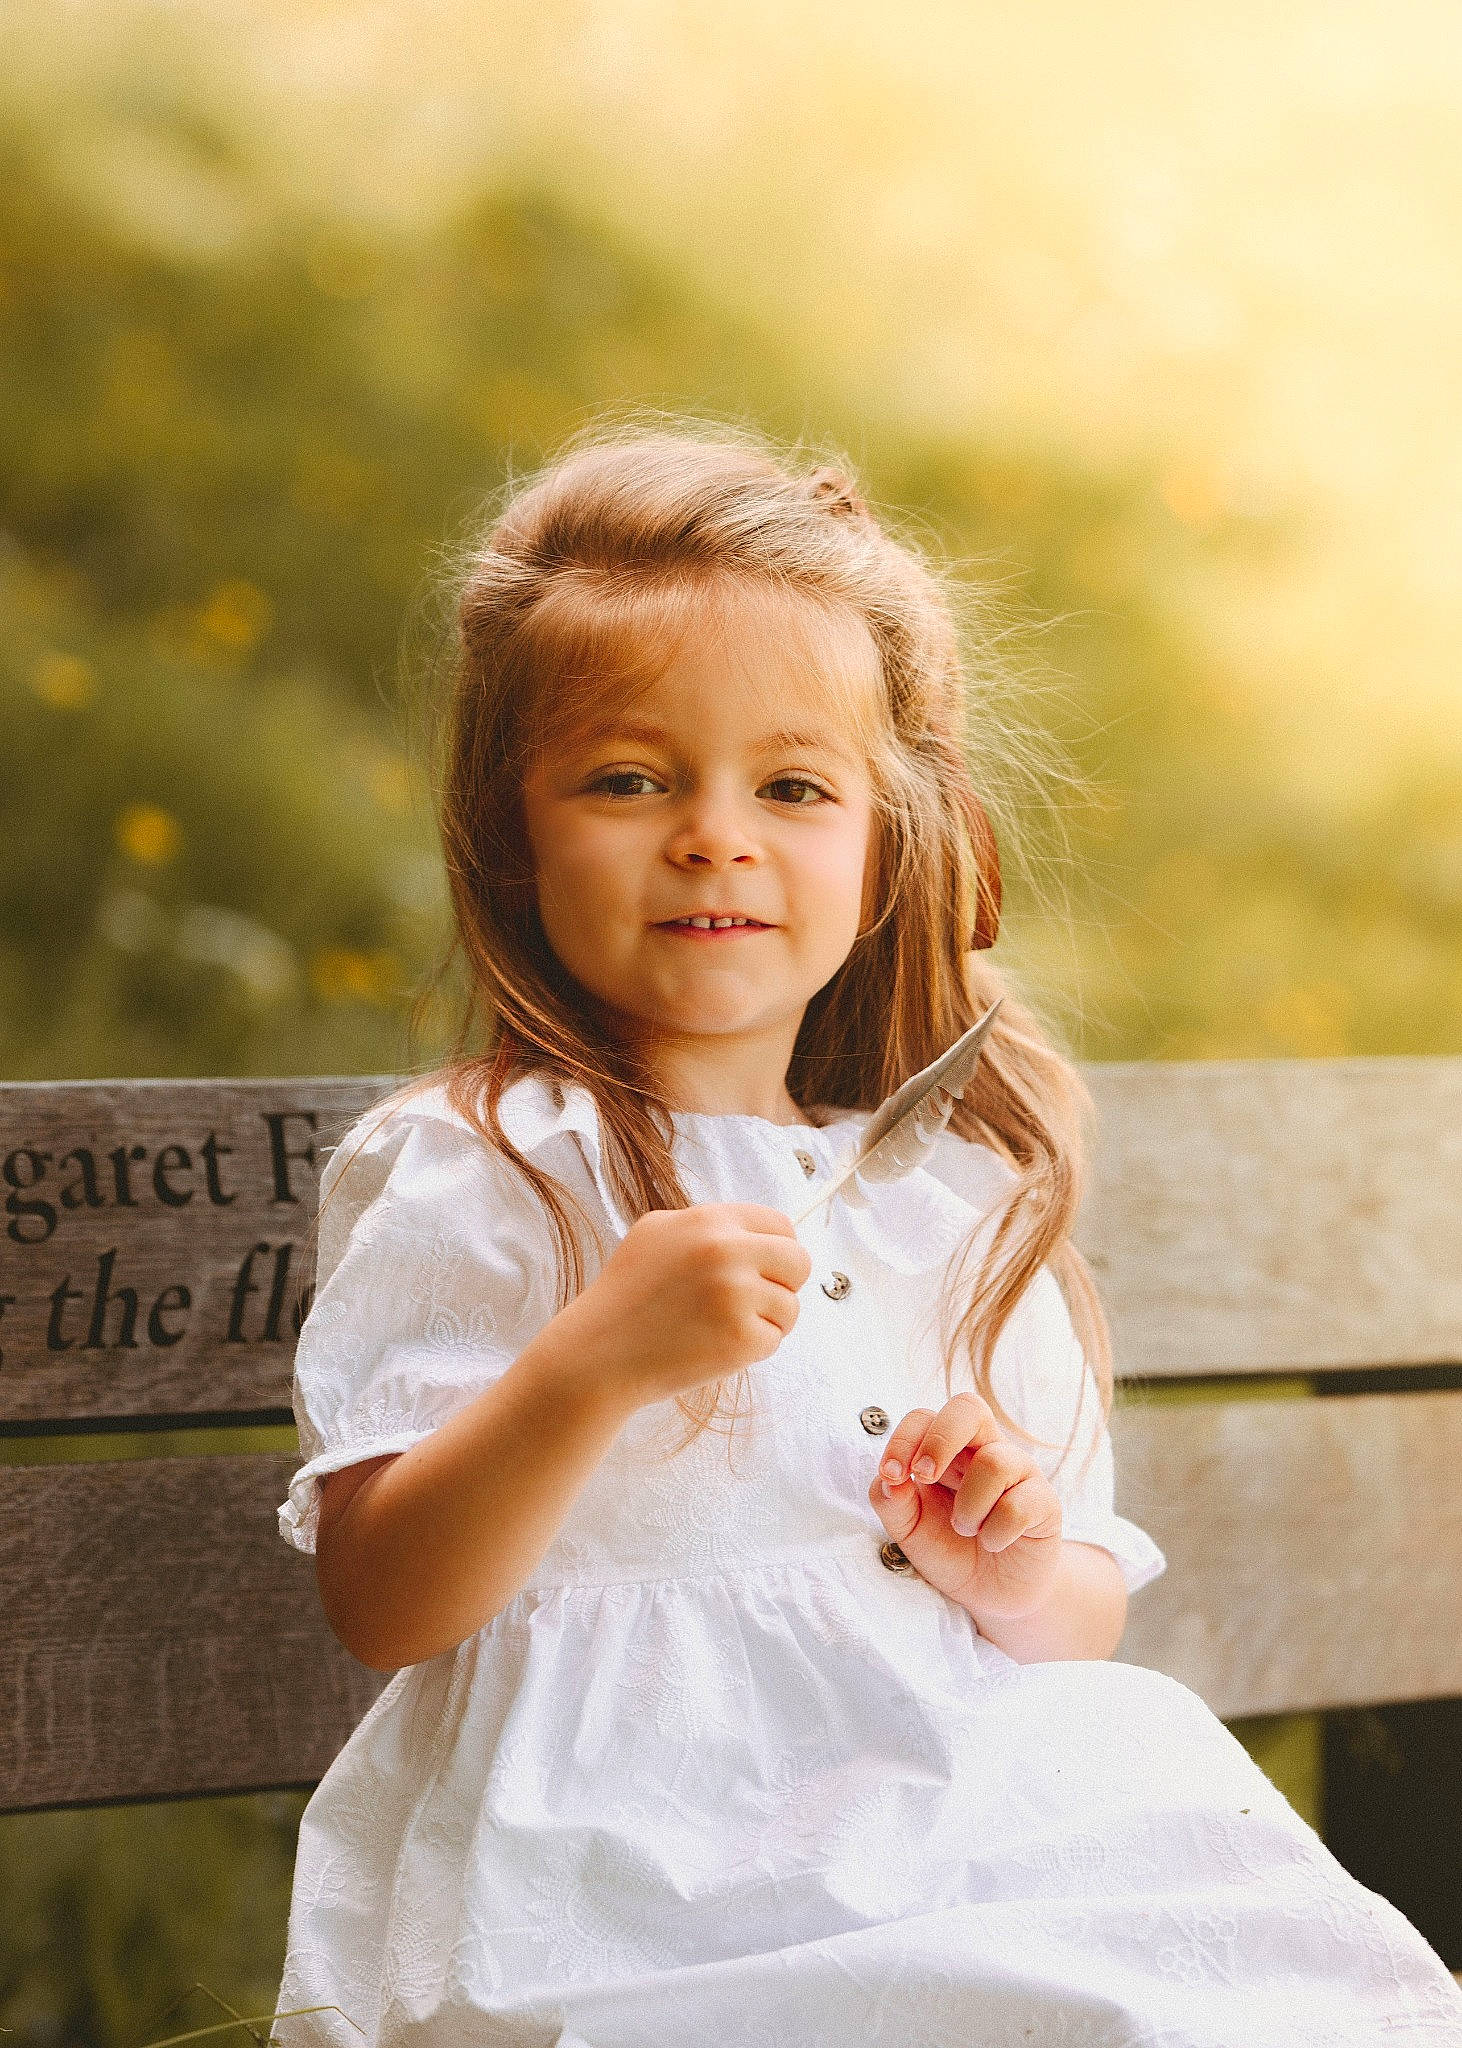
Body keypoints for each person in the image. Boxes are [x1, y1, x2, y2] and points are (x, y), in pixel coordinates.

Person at [273, 421, 1462, 2047]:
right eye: (630, 779)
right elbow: (386, 1603)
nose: (714, 834)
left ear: (885, 837)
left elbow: (1074, 1620)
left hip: (945, 1829)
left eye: (791, 786)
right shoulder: (488, 1166)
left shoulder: (945, 1194)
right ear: (510, 825)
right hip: (620, 1883)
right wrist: (588, 1367)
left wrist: (1008, 1562)